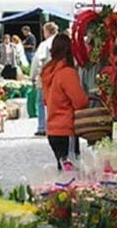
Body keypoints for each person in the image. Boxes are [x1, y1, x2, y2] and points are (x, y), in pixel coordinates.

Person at [42, 33, 90, 170]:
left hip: (52, 130)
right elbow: (80, 102)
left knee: (63, 171)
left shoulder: (47, 72)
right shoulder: (67, 73)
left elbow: (46, 100)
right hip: (66, 129)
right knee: (71, 175)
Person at [30, 22, 59, 136]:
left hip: (47, 77)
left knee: (42, 102)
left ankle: (42, 127)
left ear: (47, 31)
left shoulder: (45, 44)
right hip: (61, 76)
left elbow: (37, 61)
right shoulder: (63, 42)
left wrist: (33, 77)